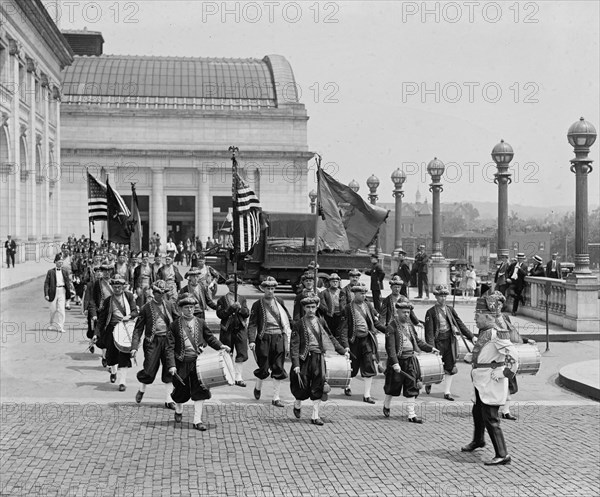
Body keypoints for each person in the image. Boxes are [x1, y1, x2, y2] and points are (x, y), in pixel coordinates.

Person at [461, 293, 518, 466]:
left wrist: (503, 374)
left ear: (487, 316)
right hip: (481, 380)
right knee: (477, 411)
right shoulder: (485, 333)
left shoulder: (496, 334)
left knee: (491, 418)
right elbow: (487, 354)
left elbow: (514, 358)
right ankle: (478, 440)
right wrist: (473, 357)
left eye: (477, 316)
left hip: (491, 381)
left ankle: (503, 454)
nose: (475, 319)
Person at [166, 293, 231, 431]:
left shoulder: (200, 323)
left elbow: (210, 338)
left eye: (191, 307)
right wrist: (171, 365)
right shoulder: (174, 326)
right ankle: (178, 409)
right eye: (186, 307)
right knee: (180, 390)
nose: (189, 310)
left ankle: (197, 420)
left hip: (198, 362)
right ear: (180, 309)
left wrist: (221, 345)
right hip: (181, 363)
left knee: (200, 390)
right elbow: (169, 347)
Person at [290, 293, 349, 426]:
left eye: (313, 307)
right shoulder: (298, 324)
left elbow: (331, 337)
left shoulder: (321, 321)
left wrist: (342, 350)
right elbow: (294, 346)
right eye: (308, 307)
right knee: (302, 386)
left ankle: (315, 416)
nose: (310, 310)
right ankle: (297, 403)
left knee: (318, 386)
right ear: (304, 308)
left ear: (317, 307)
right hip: (304, 358)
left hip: (318, 358)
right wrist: (296, 364)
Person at [383, 300, 439, 423]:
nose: (407, 315)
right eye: (404, 312)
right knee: (393, 387)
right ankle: (387, 404)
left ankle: (411, 415)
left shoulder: (410, 326)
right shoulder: (391, 327)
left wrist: (430, 348)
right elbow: (390, 348)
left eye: (408, 312)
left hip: (410, 360)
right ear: (397, 312)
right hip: (398, 361)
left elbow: (418, 342)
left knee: (412, 386)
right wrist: (395, 363)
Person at [131, 280, 178, 409]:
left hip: (167, 341)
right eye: (158, 292)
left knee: (170, 368)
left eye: (163, 293)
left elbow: (178, 322)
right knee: (149, 370)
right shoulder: (146, 307)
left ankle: (169, 400)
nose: (160, 295)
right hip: (152, 341)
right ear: (153, 292)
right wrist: (134, 347)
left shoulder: (169, 305)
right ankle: (141, 389)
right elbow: (138, 328)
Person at [424, 284, 474, 401]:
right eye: (440, 296)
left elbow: (459, 324)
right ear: (436, 296)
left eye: (445, 296)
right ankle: (429, 382)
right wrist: (431, 348)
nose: (443, 298)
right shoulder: (430, 312)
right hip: (437, 343)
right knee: (435, 366)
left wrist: (471, 336)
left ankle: (447, 392)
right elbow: (429, 333)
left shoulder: (450, 310)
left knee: (450, 366)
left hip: (450, 341)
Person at [248, 277, 292, 406]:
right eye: (268, 288)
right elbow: (252, 323)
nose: (270, 291)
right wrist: (251, 340)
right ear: (263, 289)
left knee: (278, 366)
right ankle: (258, 386)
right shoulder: (257, 304)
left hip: (278, 338)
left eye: (273, 288)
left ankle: (276, 397)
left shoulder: (280, 301)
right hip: (264, 338)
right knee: (264, 367)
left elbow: (288, 318)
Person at [340, 282, 386, 403]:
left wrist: (388, 331)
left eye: (365, 293)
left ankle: (366, 395)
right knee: (352, 368)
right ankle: (348, 385)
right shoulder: (348, 308)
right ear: (354, 294)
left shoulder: (368, 306)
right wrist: (345, 345)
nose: (363, 295)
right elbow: (343, 329)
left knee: (368, 365)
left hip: (367, 340)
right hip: (354, 341)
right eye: (361, 293)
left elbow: (375, 323)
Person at [96, 276, 139, 391]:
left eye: (119, 287)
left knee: (124, 355)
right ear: (112, 287)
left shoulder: (129, 297)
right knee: (111, 354)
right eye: (114, 287)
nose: (117, 289)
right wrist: (97, 333)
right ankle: (114, 372)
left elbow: (135, 311)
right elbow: (102, 319)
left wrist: (129, 316)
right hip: (111, 329)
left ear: (123, 287)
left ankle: (122, 382)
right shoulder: (108, 300)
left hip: (125, 329)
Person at [216, 275, 250, 387]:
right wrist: (231, 308)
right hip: (227, 329)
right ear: (228, 286)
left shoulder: (242, 298)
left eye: (236, 285)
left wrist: (240, 308)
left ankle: (238, 376)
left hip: (240, 328)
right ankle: (229, 375)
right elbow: (220, 314)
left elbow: (246, 313)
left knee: (241, 352)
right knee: (227, 352)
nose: (234, 287)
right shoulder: (222, 299)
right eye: (231, 285)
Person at [44, 254, 72, 333]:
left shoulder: (65, 272)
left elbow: (67, 283)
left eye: (61, 262)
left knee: (61, 310)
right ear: (55, 262)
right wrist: (46, 294)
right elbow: (46, 283)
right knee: (53, 309)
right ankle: (51, 324)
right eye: (59, 262)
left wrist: (68, 294)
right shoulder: (50, 272)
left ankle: (61, 327)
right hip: (53, 291)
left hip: (62, 290)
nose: (60, 264)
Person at [318, 273, 346, 342]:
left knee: (339, 332)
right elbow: (322, 304)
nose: (335, 283)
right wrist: (327, 311)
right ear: (330, 282)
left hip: (340, 315)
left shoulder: (342, 292)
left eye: (336, 281)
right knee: (329, 331)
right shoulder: (324, 292)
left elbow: (345, 303)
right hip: (329, 316)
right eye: (333, 281)